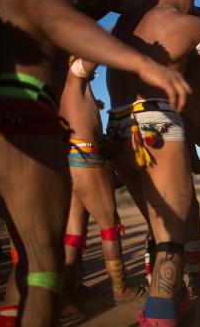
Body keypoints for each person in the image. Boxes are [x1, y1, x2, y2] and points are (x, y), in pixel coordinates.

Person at [0, 0, 190, 325]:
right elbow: (57, 15)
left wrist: (123, 0)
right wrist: (143, 63)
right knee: (42, 272)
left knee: (27, 262)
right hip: (20, 126)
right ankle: (123, 292)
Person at [106, 0, 200, 324]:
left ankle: (177, 299)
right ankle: (160, 315)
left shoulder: (123, 23)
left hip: (119, 129)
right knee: (171, 236)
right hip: (158, 125)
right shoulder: (190, 25)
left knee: (157, 224)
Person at [60, 58, 145, 321]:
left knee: (74, 232)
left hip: (74, 160)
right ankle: (121, 290)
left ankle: (68, 294)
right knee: (110, 224)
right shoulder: (73, 78)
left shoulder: (65, 85)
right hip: (86, 160)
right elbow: (90, 56)